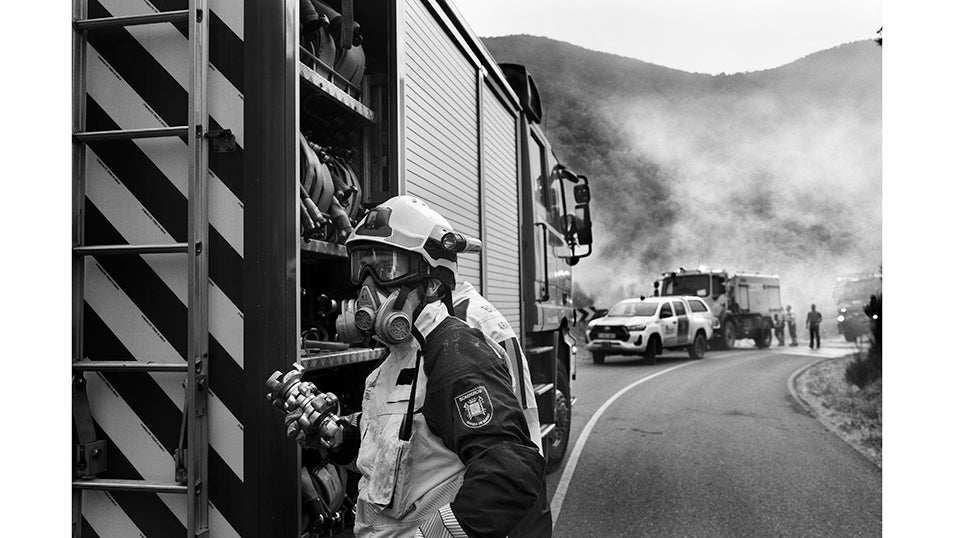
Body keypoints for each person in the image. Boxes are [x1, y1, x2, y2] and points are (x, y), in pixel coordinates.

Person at [278, 196, 548, 537]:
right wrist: (336, 437)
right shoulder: (400, 356)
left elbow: (511, 471)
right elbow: (408, 456)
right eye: (362, 265)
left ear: (432, 283)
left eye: (386, 268)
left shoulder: (456, 355)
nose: (367, 286)